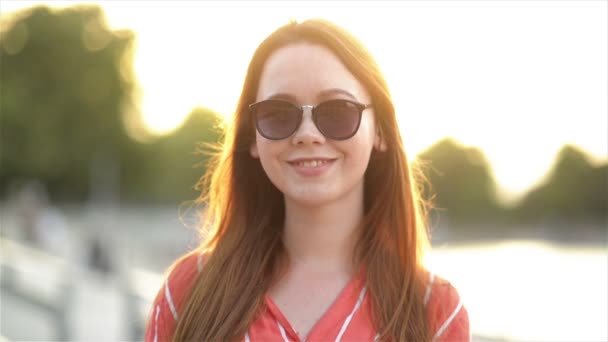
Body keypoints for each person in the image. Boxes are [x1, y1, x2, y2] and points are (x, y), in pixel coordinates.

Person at [145, 19, 469, 342]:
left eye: (337, 110)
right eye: (278, 113)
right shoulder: (188, 291)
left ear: (380, 129)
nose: (308, 134)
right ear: (253, 139)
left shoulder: (435, 310)